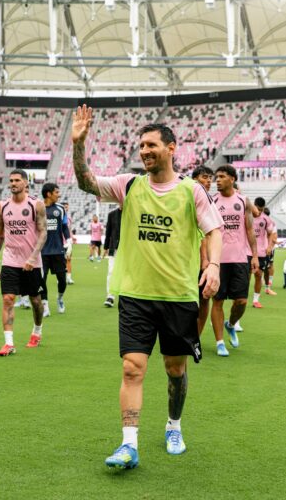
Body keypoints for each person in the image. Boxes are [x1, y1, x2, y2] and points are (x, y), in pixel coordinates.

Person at [71, 106, 221, 469]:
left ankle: (173, 425)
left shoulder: (191, 192)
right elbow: (86, 182)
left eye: (152, 144)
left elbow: (214, 230)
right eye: (141, 145)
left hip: (178, 295)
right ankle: (129, 444)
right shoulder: (130, 185)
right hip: (135, 294)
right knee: (132, 368)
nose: (144, 151)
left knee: (175, 370)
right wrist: (78, 145)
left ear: (172, 148)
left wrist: (213, 265)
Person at [0, 169, 48, 355]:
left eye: (17, 180)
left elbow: (43, 232)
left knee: (36, 301)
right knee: (8, 299)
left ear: (25, 183)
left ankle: (37, 331)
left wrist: (33, 257)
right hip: (9, 261)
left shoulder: (36, 205)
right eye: (11, 180)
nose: (13, 183)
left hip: (32, 263)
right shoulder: (2, 206)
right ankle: (9, 344)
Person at [210, 165, 258, 356]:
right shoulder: (212, 201)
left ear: (232, 179)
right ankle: (220, 342)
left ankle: (230, 324)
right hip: (218, 259)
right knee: (218, 301)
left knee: (241, 301)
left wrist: (254, 255)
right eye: (216, 177)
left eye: (221, 176)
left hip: (239, 258)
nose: (217, 180)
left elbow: (249, 229)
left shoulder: (243, 200)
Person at [39, 182, 71, 316]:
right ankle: (45, 305)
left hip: (58, 250)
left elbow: (64, 227)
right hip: (42, 252)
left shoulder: (60, 209)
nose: (59, 195)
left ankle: (60, 298)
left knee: (62, 280)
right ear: (49, 194)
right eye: (56, 192)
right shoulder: (38, 209)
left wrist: (68, 241)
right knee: (41, 280)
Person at [191, 165, 213, 335]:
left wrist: (206, 259)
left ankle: (196, 336)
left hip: (203, 261)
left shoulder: (210, 200)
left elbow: (206, 234)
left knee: (204, 298)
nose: (209, 181)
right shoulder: (186, 197)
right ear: (195, 179)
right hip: (185, 259)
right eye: (205, 177)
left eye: (210, 178)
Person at [250, 198, 277, 308]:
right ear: (254, 205)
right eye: (257, 209)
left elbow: (271, 234)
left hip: (261, 252)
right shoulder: (246, 217)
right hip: (247, 252)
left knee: (258, 275)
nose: (259, 211)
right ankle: (240, 298)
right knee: (245, 277)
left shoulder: (266, 219)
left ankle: (256, 300)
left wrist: (270, 246)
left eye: (261, 209)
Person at [103, 206, 122, 307]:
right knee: (111, 272)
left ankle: (125, 297)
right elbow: (108, 232)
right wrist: (105, 247)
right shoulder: (112, 214)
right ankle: (110, 296)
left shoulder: (132, 212)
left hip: (128, 249)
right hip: (113, 248)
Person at [262, 206, 278, 295]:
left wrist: (270, 247)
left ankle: (269, 283)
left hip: (268, 249)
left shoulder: (272, 223)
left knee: (269, 265)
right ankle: (262, 281)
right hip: (259, 248)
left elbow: (274, 236)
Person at [63, 201, 77, 284]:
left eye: (67, 206)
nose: (66, 208)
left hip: (68, 242)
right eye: (64, 206)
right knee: (61, 261)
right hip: (60, 242)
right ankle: (60, 279)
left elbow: (69, 230)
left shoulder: (69, 218)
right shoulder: (58, 217)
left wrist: (72, 237)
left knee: (69, 259)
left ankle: (69, 278)